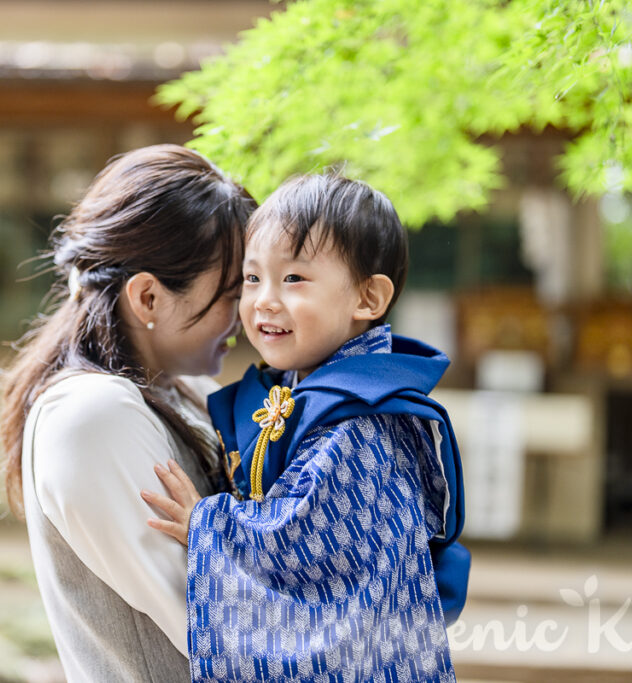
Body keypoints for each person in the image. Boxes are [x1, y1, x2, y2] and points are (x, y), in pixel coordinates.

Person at [144, 173, 469, 682]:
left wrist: (208, 526)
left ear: (368, 298)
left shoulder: (364, 423)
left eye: (293, 279)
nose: (264, 300)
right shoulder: (298, 386)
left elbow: (307, 538)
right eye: (252, 279)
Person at [0, 144, 255, 681]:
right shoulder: (94, 416)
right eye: (232, 294)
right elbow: (217, 627)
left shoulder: (178, 389)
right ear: (148, 298)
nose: (248, 315)